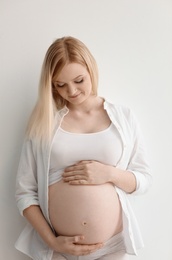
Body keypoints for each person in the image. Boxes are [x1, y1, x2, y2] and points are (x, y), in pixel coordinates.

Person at [15, 36, 152, 260]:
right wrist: (52, 241)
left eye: (79, 80)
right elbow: (24, 192)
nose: (72, 91)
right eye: (61, 85)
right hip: (58, 250)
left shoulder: (124, 117)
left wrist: (109, 174)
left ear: (91, 69)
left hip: (112, 247)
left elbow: (144, 180)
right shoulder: (44, 123)